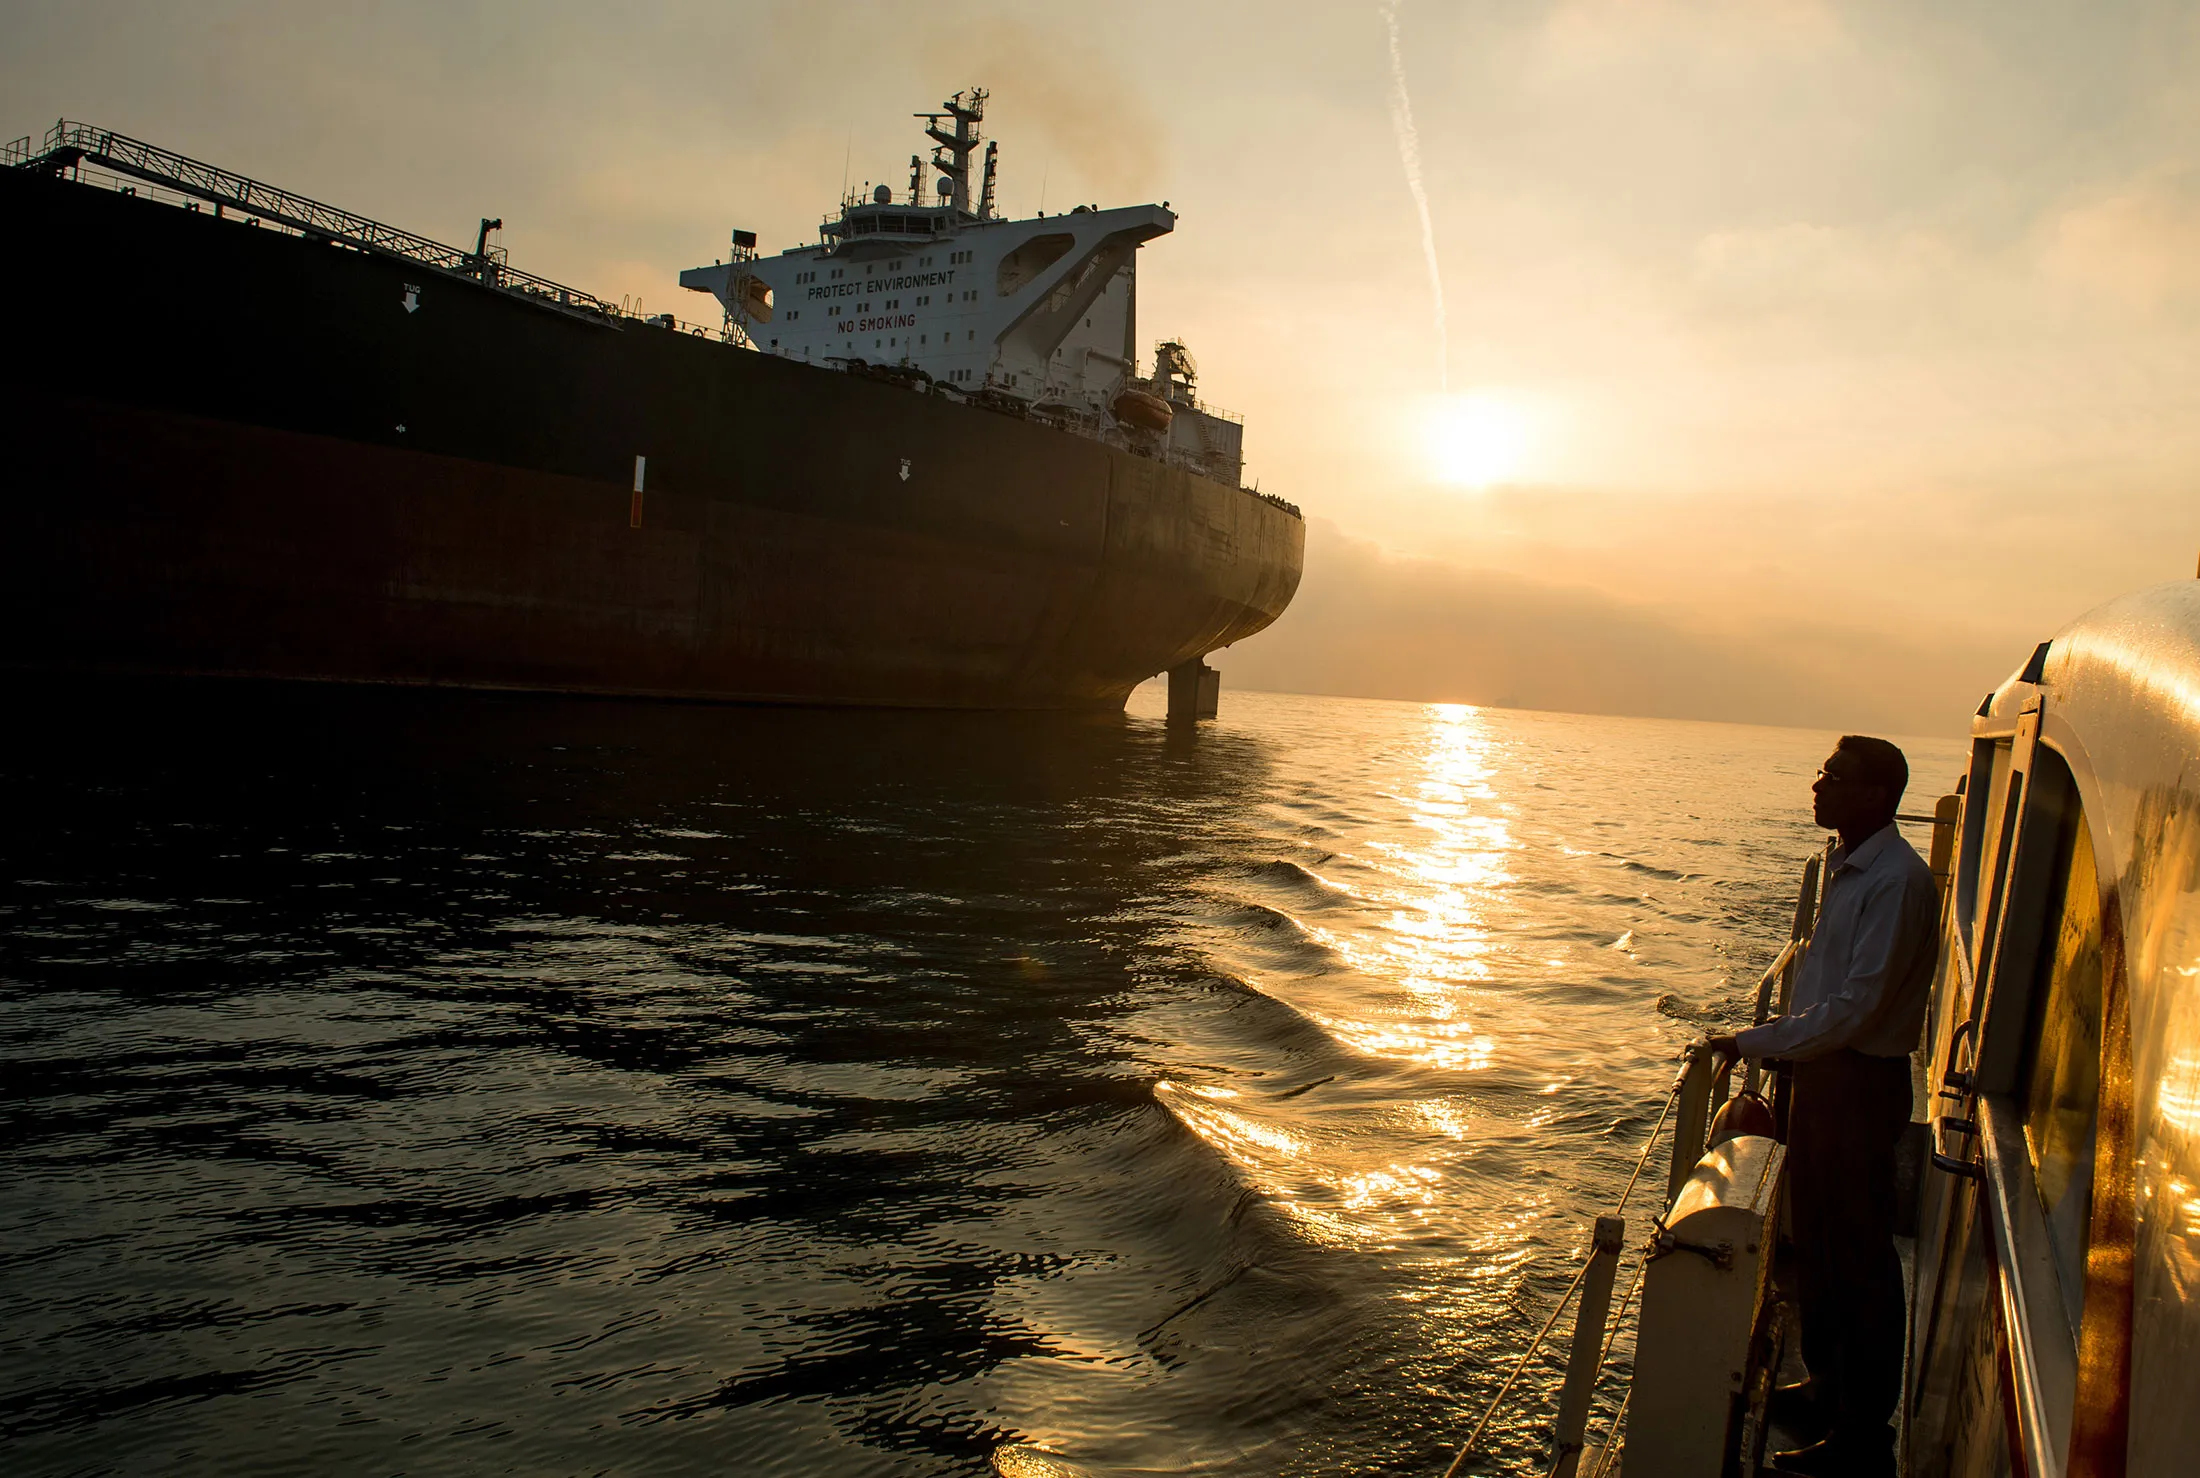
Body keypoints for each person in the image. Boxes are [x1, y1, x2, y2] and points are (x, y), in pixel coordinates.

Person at [1705, 735, 1938, 1478]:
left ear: (1875, 795)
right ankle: (1827, 1387)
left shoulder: (1895, 882)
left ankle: (1862, 1435)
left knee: (1860, 1258)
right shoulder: (1847, 864)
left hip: (1859, 1085)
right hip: (1825, 1080)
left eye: (1833, 777)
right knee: (1823, 1249)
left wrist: (1752, 1040)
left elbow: (1856, 1008)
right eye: (1822, 773)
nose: (1818, 785)